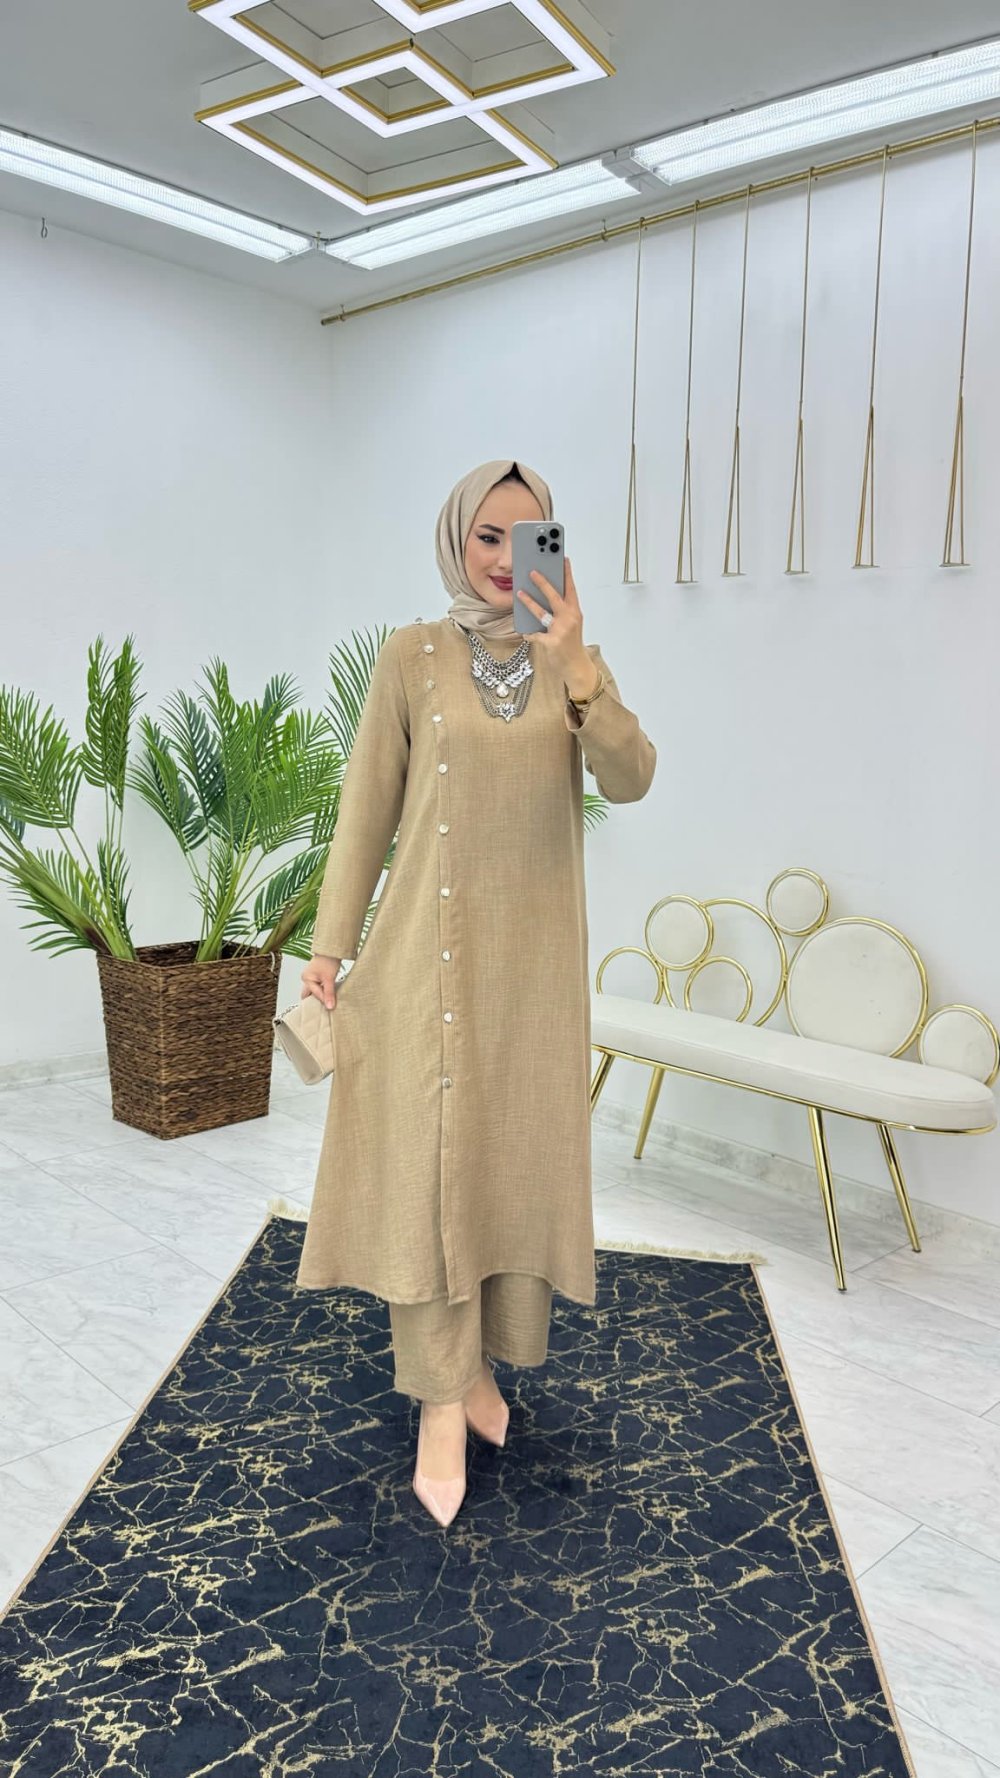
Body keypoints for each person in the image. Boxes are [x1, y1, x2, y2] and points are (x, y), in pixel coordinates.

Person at [297, 459, 657, 1527]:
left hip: (532, 978)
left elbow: (632, 777)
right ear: (456, 540)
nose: (504, 558)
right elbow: (365, 809)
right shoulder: (409, 655)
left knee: (504, 1170)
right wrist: (329, 945)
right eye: (486, 536)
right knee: (428, 1175)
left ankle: (482, 1372)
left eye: (527, 536)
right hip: (423, 958)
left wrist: (576, 660)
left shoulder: (574, 664)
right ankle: (439, 1404)